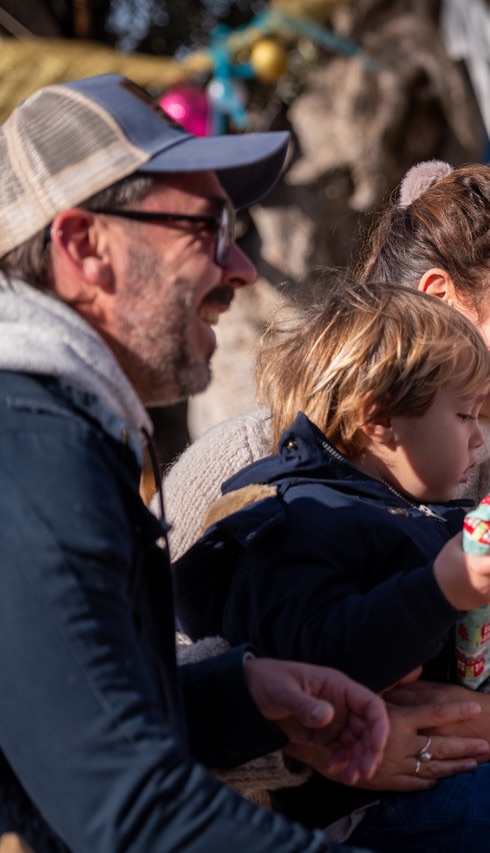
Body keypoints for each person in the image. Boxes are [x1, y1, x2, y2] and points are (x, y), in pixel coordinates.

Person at [159, 161, 490, 832]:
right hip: (297, 825)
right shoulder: (252, 467)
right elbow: (136, 674)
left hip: (474, 796)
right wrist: (306, 736)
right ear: (442, 297)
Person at [0, 74, 391, 852]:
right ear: (85, 247)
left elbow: (59, 722)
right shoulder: (33, 450)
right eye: (208, 229)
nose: (242, 267)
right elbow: (131, 810)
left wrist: (239, 696)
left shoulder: (54, 426)